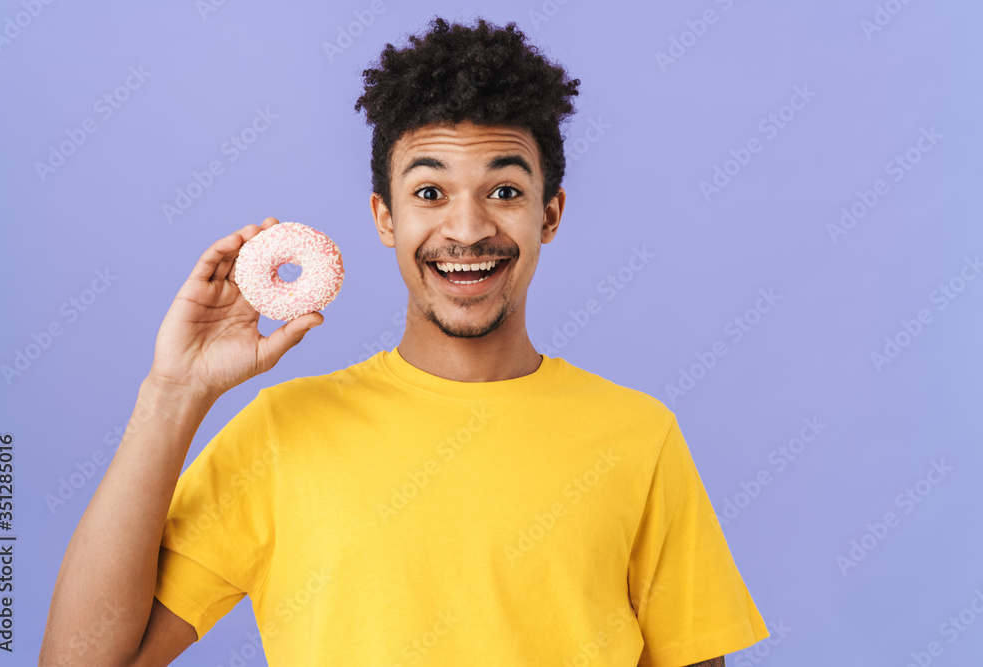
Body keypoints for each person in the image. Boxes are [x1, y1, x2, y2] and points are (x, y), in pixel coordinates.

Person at [40, 16, 769, 667]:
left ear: (550, 214)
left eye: (505, 191)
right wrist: (173, 393)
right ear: (384, 218)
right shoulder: (281, 434)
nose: (467, 227)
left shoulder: (640, 437)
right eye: (429, 192)